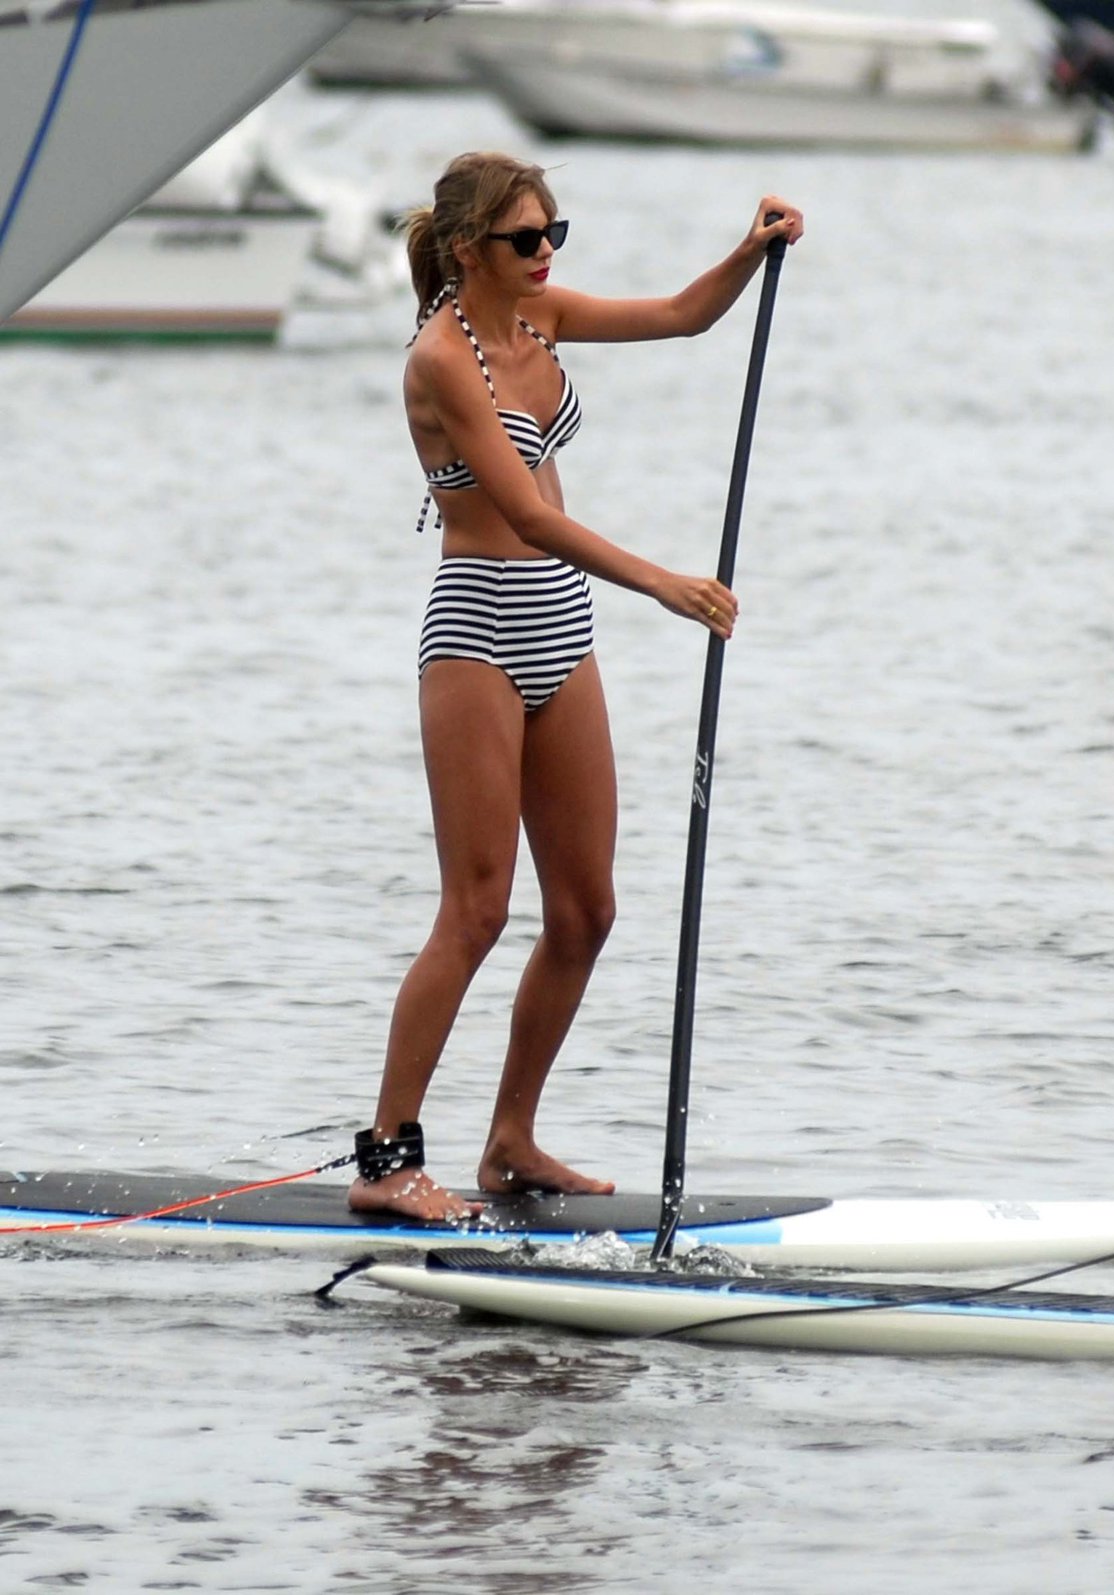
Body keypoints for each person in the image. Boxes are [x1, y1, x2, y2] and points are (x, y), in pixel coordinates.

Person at [350, 152, 803, 1221]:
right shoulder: (442, 360)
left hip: (561, 626)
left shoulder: (540, 317)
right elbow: (530, 518)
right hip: (477, 629)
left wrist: (748, 250)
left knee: (587, 908)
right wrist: (669, 583)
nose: (546, 253)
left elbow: (683, 316)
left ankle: (509, 1140)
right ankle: (386, 1160)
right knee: (475, 908)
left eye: (556, 233)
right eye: (525, 240)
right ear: (470, 254)